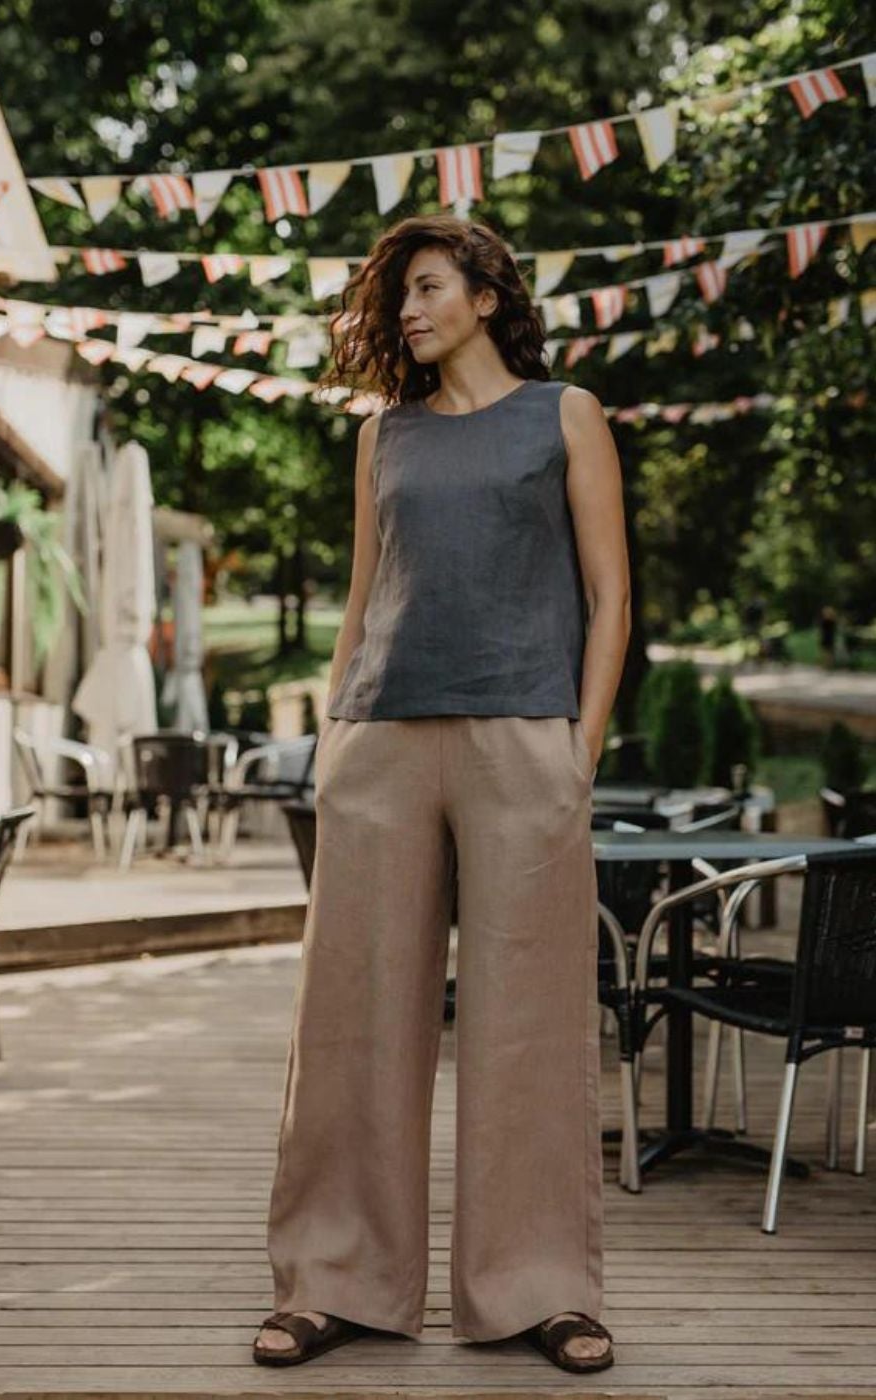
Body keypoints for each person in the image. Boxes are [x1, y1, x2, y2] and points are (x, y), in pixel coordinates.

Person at [251, 214, 630, 1375]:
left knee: (529, 1025)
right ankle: (335, 1277)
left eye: (426, 287)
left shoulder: (564, 414)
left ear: (483, 293)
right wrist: (330, 736)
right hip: (381, 743)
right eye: (398, 295)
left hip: (525, 743)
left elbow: (611, 598)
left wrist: (582, 752)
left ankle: (541, 1287)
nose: (408, 311)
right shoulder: (384, 438)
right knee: (353, 1021)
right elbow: (364, 599)